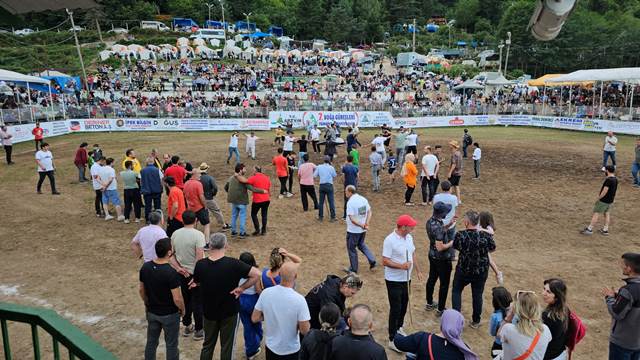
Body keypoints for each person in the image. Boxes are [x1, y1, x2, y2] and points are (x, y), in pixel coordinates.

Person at [192, 233, 261, 360]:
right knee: (227, 347)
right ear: (226, 245)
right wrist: (242, 288)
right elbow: (257, 274)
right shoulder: (233, 264)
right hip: (229, 312)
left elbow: (196, 281)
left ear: (210, 246)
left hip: (209, 312)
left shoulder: (200, 265)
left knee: (207, 345)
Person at [252, 262, 311, 360]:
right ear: (296, 276)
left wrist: (268, 315)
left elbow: (255, 318)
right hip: (291, 350)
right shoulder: (300, 300)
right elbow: (305, 331)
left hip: (271, 347)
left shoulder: (266, 293)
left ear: (279, 274)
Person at [138, 237, 185, 360]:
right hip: (169, 314)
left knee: (151, 342)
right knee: (171, 345)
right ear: (169, 253)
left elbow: (141, 290)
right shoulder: (171, 273)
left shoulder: (146, 267)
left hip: (152, 311)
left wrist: (147, 303)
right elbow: (177, 299)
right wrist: (182, 310)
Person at [449, 210, 496, 328]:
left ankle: (456, 320)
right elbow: (492, 248)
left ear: (466, 222)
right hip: (480, 270)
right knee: (477, 294)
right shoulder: (486, 236)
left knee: (456, 291)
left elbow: (456, 247)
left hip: (464, 269)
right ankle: (476, 320)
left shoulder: (461, 235)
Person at [383, 214, 423, 352]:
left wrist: (417, 270)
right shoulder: (389, 240)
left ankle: (399, 327)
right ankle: (392, 338)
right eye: (411, 226)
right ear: (404, 227)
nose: (413, 228)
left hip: (407, 278)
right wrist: (402, 266)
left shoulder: (409, 237)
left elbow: (412, 254)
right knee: (396, 308)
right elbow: (385, 261)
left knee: (404, 305)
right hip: (393, 280)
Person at [169, 210, 206, 340]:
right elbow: (199, 257)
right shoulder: (198, 235)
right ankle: (199, 329)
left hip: (181, 273)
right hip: (195, 273)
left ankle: (187, 325)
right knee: (197, 301)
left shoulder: (175, 234)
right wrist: (196, 276)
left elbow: (171, 255)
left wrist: (178, 268)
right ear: (195, 220)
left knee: (185, 299)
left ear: (182, 220)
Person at [393, 309, 479, 360]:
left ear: (442, 323)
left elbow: (398, 343)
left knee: (410, 355)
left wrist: (396, 333)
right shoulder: (465, 351)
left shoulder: (423, 338)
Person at [602, 252, 640, 360]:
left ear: (629, 269)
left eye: (622, 264)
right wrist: (619, 296)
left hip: (623, 343)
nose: (621, 266)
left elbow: (616, 313)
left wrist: (609, 297)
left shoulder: (628, 291)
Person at [498, 291, 553, 360]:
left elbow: (499, 335)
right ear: (537, 309)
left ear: (517, 309)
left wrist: (509, 317)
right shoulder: (545, 329)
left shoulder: (508, 329)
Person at [425, 201, 456, 316]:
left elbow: (439, 231)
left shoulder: (430, 221)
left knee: (432, 279)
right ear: (441, 213)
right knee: (444, 284)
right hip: (442, 259)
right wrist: (452, 242)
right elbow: (440, 247)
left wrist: (448, 225)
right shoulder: (438, 227)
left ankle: (429, 303)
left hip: (432, 255)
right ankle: (441, 309)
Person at [224, 163, 266, 238]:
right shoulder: (243, 180)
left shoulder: (231, 178)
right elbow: (252, 189)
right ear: (240, 170)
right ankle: (242, 233)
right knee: (242, 217)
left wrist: (232, 193)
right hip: (242, 201)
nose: (245, 170)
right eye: (244, 169)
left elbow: (226, 187)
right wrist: (263, 191)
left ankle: (233, 232)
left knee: (234, 216)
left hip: (233, 201)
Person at [344, 185, 376, 273]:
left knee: (351, 248)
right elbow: (369, 212)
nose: (345, 193)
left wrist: (362, 225)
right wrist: (366, 223)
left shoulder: (350, 202)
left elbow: (352, 219)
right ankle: (372, 259)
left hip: (353, 231)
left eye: (346, 192)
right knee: (361, 244)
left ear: (350, 192)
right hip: (363, 230)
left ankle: (353, 269)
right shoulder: (363, 199)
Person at [238, 252, 263, 359]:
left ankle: (250, 347)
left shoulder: (236, 272)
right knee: (256, 322)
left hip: (240, 300)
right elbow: (258, 290)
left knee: (247, 325)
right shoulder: (255, 274)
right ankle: (254, 346)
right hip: (253, 301)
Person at [581, 165, 618, 236]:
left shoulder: (608, 180)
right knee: (607, 214)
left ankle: (589, 229)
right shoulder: (615, 179)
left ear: (607, 171)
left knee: (596, 213)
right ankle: (605, 230)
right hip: (610, 200)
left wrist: (598, 198)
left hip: (603, 200)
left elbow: (605, 191)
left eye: (605, 171)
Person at [542, 279, 570, 360]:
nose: (544, 293)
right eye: (544, 289)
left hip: (550, 356)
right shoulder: (565, 309)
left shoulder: (548, 316)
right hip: (560, 353)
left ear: (557, 296)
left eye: (548, 292)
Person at [199, 163, 230, 232]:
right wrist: (213, 194)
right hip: (208, 198)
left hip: (200, 198)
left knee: (200, 212)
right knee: (216, 211)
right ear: (206, 169)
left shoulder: (198, 178)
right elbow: (215, 188)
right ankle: (223, 225)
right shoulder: (210, 178)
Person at [184, 169, 210, 243]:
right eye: (199, 174)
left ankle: (192, 241)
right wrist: (205, 205)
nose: (200, 175)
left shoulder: (186, 183)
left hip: (190, 208)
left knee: (193, 224)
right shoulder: (198, 184)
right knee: (206, 224)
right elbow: (201, 196)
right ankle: (207, 242)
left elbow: (185, 195)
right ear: (194, 174)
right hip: (199, 207)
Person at [246, 165, 271, 236]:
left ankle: (257, 230)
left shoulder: (253, 178)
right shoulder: (266, 177)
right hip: (266, 199)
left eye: (253, 170)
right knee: (264, 215)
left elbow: (246, 182)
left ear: (255, 170)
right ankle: (264, 230)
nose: (252, 171)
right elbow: (268, 187)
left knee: (253, 214)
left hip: (257, 200)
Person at [433, 180, 459, 245]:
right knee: (451, 241)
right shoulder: (454, 198)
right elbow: (455, 209)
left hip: (439, 223)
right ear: (450, 188)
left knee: (439, 241)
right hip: (451, 222)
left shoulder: (436, 197)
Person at [489, 287, 513, 359]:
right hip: (511, 345)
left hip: (499, 345)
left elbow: (492, 333)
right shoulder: (514, 312)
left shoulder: (495, 316)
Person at [314, 155, 338, 222]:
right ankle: (333, 217)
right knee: (331, 202)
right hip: (329, 185)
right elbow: (334, 175)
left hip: (322, 185)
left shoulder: (319, 166)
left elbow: (314, 175)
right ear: (329, 161)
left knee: (321, 202)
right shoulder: (331, 167)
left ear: (323, 160)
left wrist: (320, 175)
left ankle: (320, 217)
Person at [141, 157, 164, 222]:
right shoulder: (157, 170)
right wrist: (161, 187)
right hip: (157, 190)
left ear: (146, 162)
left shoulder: (142, 171)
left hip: (147, 190)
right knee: (157, 206)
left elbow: (140, 180)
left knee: (148, 206)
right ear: (153, 162)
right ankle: (158, 219)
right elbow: (161, 179)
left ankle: (148, 219)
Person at [341, 155, 359, 219]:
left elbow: (343, 176)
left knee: (346, 200)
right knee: (354, 199)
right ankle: (355, 214)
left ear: (347, 159)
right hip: (353, 184)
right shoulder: (355, 167)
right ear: (352, 160)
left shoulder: (345, 167)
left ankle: (345, 216)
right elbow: (357, 176)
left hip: (347, 184)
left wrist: (344, 182)